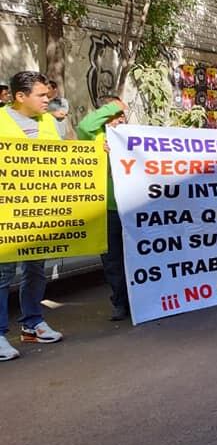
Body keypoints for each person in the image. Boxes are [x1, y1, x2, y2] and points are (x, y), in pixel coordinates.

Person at [0, 71, 65, 361]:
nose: (47, 99)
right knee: (3, 273)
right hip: (6, 212)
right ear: (20, 96)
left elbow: (63, 157)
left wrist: (95, 154)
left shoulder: (49, 121)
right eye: (41, 95)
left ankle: (32, 323)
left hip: (39, 210)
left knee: (35, 268)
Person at [76, 95, 130, 320]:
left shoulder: (131, 138)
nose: (119, 120)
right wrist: (114, 106)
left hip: (132, 208)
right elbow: (83, 125)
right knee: (112, 261)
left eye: (122, 116)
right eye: (114, 116)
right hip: (107, 210)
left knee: (137, 257)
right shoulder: (94, 137)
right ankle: (120, 302)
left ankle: (141, 299)